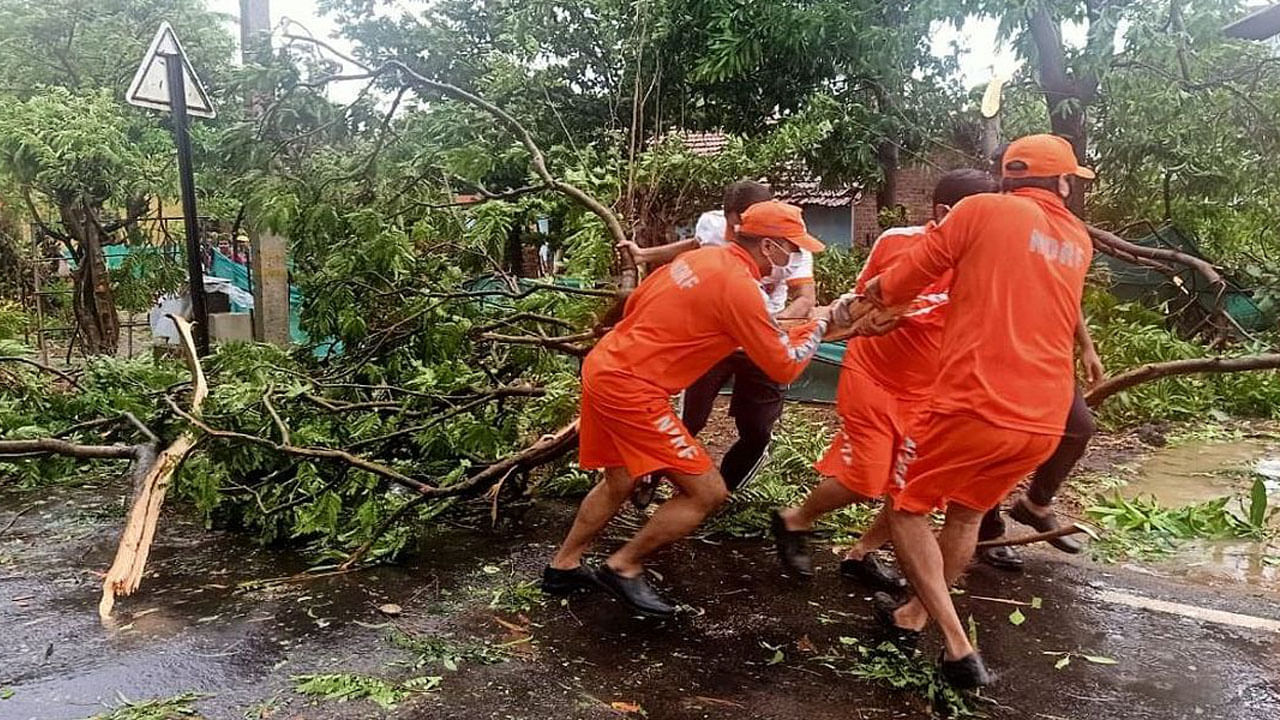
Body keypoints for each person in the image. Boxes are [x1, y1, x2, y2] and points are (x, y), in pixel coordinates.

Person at [843, 134, 1095, 688]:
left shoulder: (980, 210)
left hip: (974, 403)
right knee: (965, 513)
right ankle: (911, 614)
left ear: (1010, 178)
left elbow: (908, 276)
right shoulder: (1077, 239)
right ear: (1060, 183)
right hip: (1044, 417)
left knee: (908, 506)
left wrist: (861, 303)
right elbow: (1006, 297)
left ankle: (958, 647)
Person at [543, 201, 830, 617]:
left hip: (606, 365)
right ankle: (624, 565)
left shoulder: (700, 258)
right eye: (792, 248)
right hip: (632, 388)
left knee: (619, 480)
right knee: (707, 492)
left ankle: (563, 566)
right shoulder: (739, 286)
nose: (795, 259)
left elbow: (635, 303)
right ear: (768, 247)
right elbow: (783, 364)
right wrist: (821, 325)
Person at [771, 169, 998, 586]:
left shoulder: (990, 261)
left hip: (928, 392)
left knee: (910, 490)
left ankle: (862, 554)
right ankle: (794, 520)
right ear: (945, 213)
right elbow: (864, 299)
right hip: (872, 375)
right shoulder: (898, 241)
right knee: (866, 478)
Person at [621, 181, 816, 496]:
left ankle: (724, 494)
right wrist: (644, 255)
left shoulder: (789, 242)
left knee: (757, 430)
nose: (736, 232)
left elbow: (805, 297)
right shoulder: (714, 226)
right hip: (717, 340)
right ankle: (650, 479)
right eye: (733, 224)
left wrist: (770, 323)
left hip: (764, 337)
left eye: (742, 224)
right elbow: (695, 247)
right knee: (689, 419)